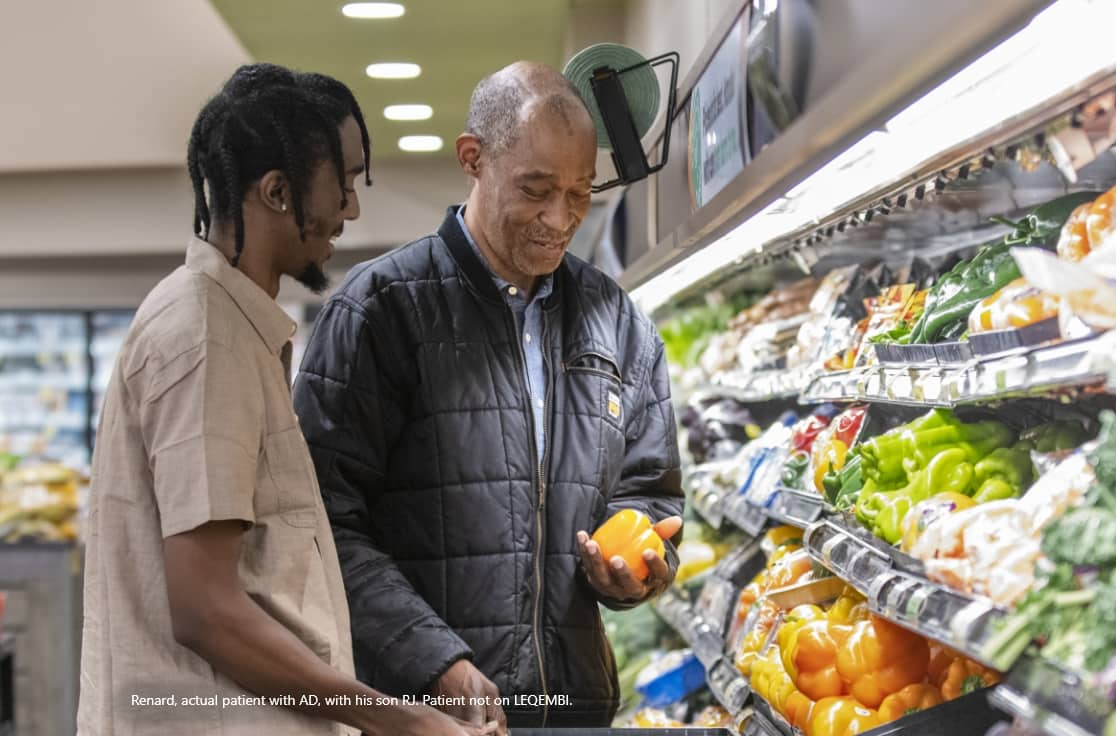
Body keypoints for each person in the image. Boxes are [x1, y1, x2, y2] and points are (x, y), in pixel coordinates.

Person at [78, 63, 488, 736]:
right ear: (275, 191)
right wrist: (401, 721)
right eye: (346, 182)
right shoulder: (204, 337)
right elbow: (205, 609)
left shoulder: (233, 327)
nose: (351, 209)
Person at [293, 61, 684, 730]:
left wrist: (643, 567)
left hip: (572, 709)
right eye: (535, 189)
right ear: (472, 158)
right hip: (424, 716)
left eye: (580, 192)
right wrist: (435, 661)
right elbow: (318, 523)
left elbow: (650, 489)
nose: (558, 219)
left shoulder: (614, 320)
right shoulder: (382, 311)